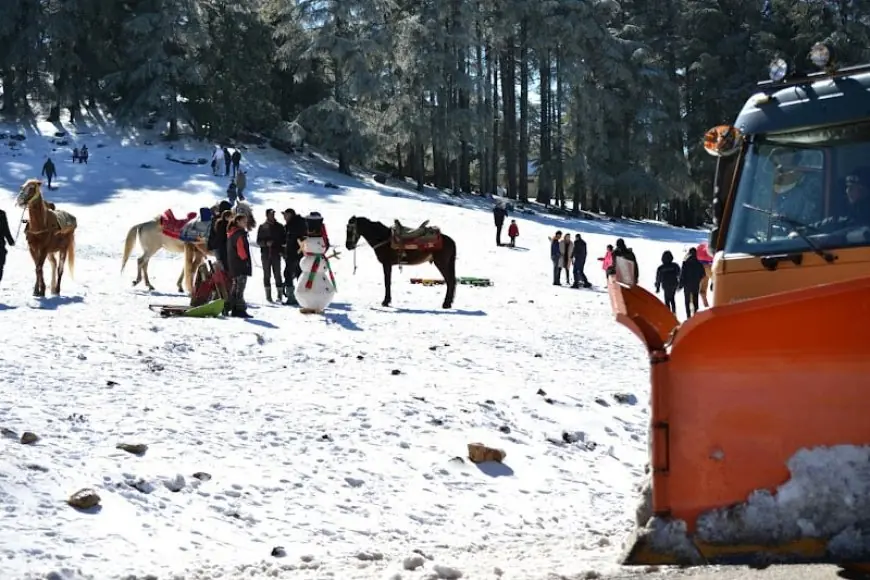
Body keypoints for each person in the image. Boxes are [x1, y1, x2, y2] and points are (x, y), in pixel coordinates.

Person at [226, 213, 252, 318]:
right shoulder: (239, 235)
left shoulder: (231, 233)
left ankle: (230, 307)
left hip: (233, 264)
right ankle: (239, 310)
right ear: (237, 221)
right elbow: (241, 251)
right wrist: (245, 260)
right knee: (240, 288)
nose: (245, 224)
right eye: (243, 221)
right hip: (240, 265)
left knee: (235, 287)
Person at [256, 209, 285, 303]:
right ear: (267, 215)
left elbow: (283, 240)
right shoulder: (262, 227)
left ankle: (279, 295)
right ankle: (268, 296)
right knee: (266, 274)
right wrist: (265, 243)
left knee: (277, 274)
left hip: (276, 254)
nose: (272, 216)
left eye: (273, 214)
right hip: (265, 254)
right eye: (270, 214)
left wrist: (282, 251)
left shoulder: (280, 227)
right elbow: (258, 241)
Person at [282, 208, 307, 304]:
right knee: (300, 275)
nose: (284, 217)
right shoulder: (296, 223)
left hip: (294, 254)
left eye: (285, 215)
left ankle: (292, 297)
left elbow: (293, 240)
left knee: (289, 274)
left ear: (290, 215)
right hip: (298, 254)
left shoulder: (294, 225)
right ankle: (302, 297)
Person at [680, 247, 707, 319]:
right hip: (695, 285)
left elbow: (682, 275)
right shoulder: (699, 264)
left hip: (687, 285)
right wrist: (698, 279)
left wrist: (681, 284)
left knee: (687, 301)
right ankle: (695, 316)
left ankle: (688, 316)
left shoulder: (685, 263)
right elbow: (703, 274)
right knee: (695, 301)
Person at [0, 208, 15, 286]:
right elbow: (5, 229)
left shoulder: (1, 214)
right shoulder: (1, 214)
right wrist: (10, 241)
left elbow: (5, 229)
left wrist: (10, 240)